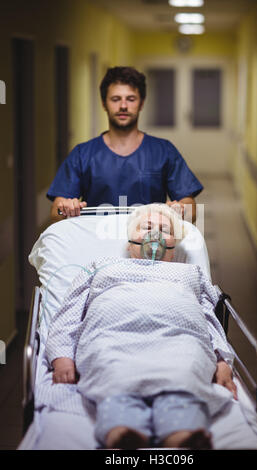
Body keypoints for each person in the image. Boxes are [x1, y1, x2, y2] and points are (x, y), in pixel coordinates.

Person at [46, 204, 237, 449]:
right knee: (113, 371)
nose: (154, 234)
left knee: (185, 371)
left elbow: (211, 319)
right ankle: (123, 433)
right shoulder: (102, 266)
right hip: (111, 340)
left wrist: (222, 360)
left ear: (174, 244)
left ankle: (182, 436)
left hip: (180, 342)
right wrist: (61, 356)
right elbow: (69, 312)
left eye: (164, 230)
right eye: (146, 227)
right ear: (128, 243)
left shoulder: (190, 273)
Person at [48, 67, 203, 223]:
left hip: (148, 242)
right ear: (104, 103)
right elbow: (56, 212)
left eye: (130, 99)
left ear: (141, 103)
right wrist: (66, 208)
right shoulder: (83, 154)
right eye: (115, 99)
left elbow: (191, 211)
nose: (123, 106)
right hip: (97, 241)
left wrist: (180, 210)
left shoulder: (163, 151)